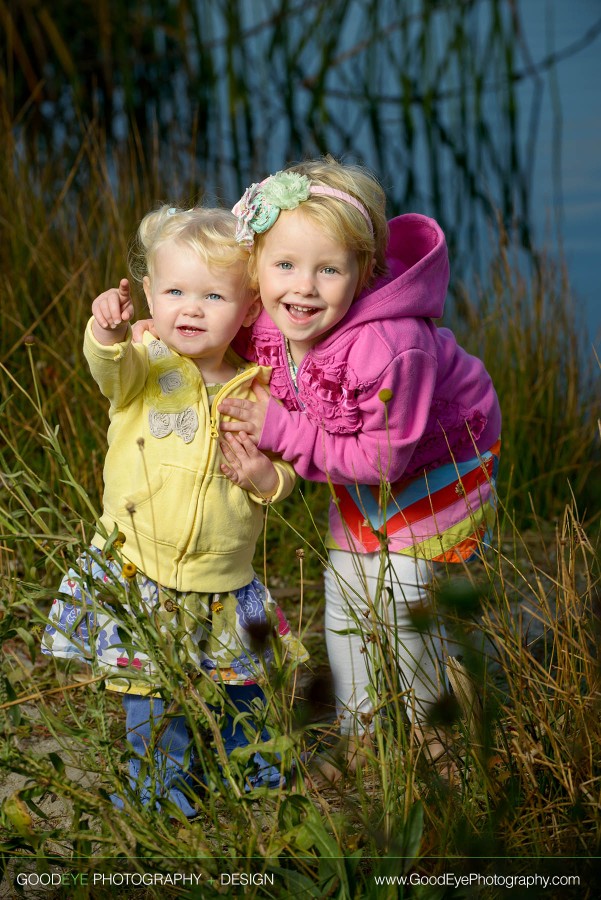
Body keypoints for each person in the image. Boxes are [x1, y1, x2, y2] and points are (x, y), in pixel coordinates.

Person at [217, 158, 502, 777]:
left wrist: (282, 431)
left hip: (439, 463)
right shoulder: (270, 318)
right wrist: (147, 328)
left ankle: (440, 736)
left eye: (329, 270)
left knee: (406, 601)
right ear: (257, 264)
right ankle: (362, 729)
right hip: (353, 465)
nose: (303, 288)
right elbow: (209, 328)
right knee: (345, 595)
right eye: (285, 265)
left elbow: (382, 459)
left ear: (365, 270)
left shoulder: (390, 348)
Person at [41, 205, 307, 815]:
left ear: (246, 311)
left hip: (223, 576)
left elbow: (288, 468)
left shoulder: (259, 387)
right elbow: (107, 367)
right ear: (153, 298)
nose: (191, 308)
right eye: (176, 291)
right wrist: (106, 331)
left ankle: (259, 776)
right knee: (153, 696)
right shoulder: (146, 366)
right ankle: (164, 791)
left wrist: (268, 476)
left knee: (243, 688)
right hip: (141, 568)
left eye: (213, 295)